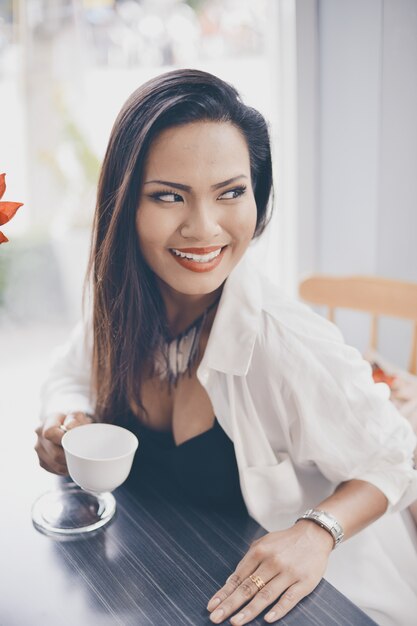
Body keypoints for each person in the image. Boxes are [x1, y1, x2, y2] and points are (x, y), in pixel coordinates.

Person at [35, 69, 417, 626]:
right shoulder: (116, 300)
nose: (204, 227)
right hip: (165, 575)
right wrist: (65, 420)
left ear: (257, 199)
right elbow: (68, 372)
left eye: (231, 193)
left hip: (308, 601)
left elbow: (395, 457)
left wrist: (317, 531)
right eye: (169, 196)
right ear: (125, 204)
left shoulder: (284, 341)